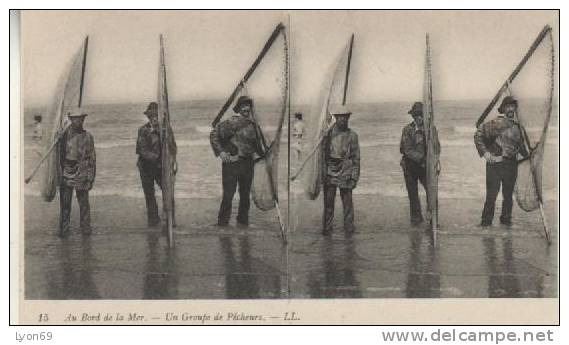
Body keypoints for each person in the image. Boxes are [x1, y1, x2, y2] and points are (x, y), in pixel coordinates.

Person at [474, 96, 528, 227]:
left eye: (512, 106)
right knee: (491, 196)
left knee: (508, 197)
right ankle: (486, 224)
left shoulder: (517, 127)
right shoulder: (495, 123)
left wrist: (531, 155)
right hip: (495, 165)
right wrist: (486, 153)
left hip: (511, 165)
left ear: (515, 109)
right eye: (507, 106)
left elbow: (521, 148)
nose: (510, 109)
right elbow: (478, 135)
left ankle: (505, 224)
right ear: (503, 109)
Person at [210, 95, 263, 227]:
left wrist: (267, 153)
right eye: (243, 106)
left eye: (248, 106)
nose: (246, 109)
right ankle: (222, 224)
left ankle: (243, 223)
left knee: (245, 197)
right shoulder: (231, 123)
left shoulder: (253, 126)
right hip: (232, 164)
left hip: (247, 164)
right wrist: (221, 152)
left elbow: (257, 147)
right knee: (228, 196)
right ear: (238, 108)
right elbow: (214, 135)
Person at [400, 102, 440, 226]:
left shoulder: (431, 130)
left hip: (425, 168)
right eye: (416, 115)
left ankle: (433, 220)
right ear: (413, 116)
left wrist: (435, 161)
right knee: (413, 196)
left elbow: (437, 147)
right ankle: (416, 222)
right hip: (410, 167)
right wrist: (423, 158)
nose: (419, 118)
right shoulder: (408, 130)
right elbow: (407, 150)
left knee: (432, 193)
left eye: (421, 115)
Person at [322, 105, 360, 235]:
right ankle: (327, 231)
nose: (343, 119)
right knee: (328, 205)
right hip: (330, 173)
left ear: (348, 118)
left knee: (348, 206)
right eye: (340, 117)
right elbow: (321, 154)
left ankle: (349, 232)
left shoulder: (352, 136)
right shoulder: (328, 134)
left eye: (345, 117)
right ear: (336, 118)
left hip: (346, 173)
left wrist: (354, 177)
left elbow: (356, 159)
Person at [59, 111, 96, 237]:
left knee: (84, 205)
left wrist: (90, 178)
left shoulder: (88, 136)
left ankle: (86, 231)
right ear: (71, 119)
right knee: (65, 205)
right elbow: (58, 155)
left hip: (82, 174)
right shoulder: (63, 136)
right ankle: (64, 231)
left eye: (81, 119)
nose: (79, 121)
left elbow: (92, 159)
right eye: (75, 119)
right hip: (66, 173)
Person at [136, 102, 163, 226]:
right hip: (146, 167)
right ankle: (153, 221)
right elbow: (142, 150)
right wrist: (157, 158)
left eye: (157, 116)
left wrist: (173, 161)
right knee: (149, 194)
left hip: (160, 167)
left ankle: (169, 219)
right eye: (152, 116)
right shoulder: (143, 130)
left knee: (168, 192)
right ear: (148, 117)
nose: (155, 118)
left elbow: (172, 147)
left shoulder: (165, 130)